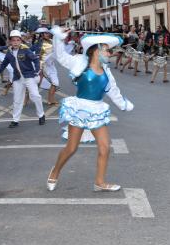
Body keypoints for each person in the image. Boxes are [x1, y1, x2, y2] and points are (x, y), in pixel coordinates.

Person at [46, 27, 134, 192]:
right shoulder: (80, 62)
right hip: (79, 109)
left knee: (105, 147)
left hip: (97, 111)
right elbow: (61, 57)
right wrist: (58, 38)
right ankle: (55, 171)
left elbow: (113, 91)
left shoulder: (107, 71)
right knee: (72, 148)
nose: (110, 54)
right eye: (107, 51)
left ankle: (99, 182)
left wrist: (123, 105)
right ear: (97, 51)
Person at [0, 30, 46, 128]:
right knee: (17, 99)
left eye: (17, 40)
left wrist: (36, 71)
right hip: (17, 78)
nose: (15, 42)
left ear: (20, 41)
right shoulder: (9, 52)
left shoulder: (26, 49)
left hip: (29, 76)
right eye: (13, 40)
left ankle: (41, 115)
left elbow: (36, 59)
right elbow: (3, 65)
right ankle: (15, 120)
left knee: (35, 96)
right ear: (10, 41)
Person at [33, 28, 60, 106]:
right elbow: (31, 52)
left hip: (51, 65)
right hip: (44, 66)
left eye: (48, 33)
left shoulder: (51, 41)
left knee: (54, 83)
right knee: (39, 82)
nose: (47, 34)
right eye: (45, 33)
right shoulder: (38, 43)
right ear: (42, 34)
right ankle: (28, 96)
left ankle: (50, 100)